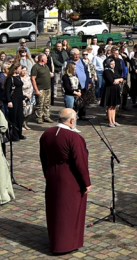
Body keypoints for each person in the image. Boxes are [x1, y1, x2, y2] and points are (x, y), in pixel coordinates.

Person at [39, 108, 91, 255]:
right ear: (72, 121)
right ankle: (67, 243)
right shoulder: (74, 138)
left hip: (52, 174)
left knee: (55, 209)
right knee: (70, 210)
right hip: (70, 178)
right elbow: (80, 163)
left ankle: (56, 240)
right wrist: (86, 182)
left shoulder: (46, 134)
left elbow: (43, 157)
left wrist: (47, 174)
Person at [4, 65, 26, 141]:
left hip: (19, 99)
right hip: (13, 99)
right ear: (15, 70)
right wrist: (9, 101)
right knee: (13, 116)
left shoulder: (18, 77)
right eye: (19, 69)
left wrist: (23, 100)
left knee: (20, 116)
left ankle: (19, 133)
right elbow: (7, 90)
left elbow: (20, 90)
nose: (21, 70)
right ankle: (13, 134)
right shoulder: (10, 79)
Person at [31, 54, 54, 124]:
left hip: (48, 88)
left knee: (47, 103)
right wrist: (36, 90)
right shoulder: (35, 67)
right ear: (42, 60)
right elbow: (33, 79)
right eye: (46, 59)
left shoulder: (46, 66)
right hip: (40, 88)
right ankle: (39, 117)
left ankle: (46, 116)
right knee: (39, 104)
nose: (47, 59)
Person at [102, 59, 122, 128]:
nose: (113, 65)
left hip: (115, 89)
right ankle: (110, 121)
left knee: (114, 105)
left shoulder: (113, 70)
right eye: (111, 64)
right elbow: (112, 81)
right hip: (110, 89)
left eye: (114, 63)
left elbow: (121, 78)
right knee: (110, 106)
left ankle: (113, 120)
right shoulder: (106, 71)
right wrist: (118, 79)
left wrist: (119, 79)